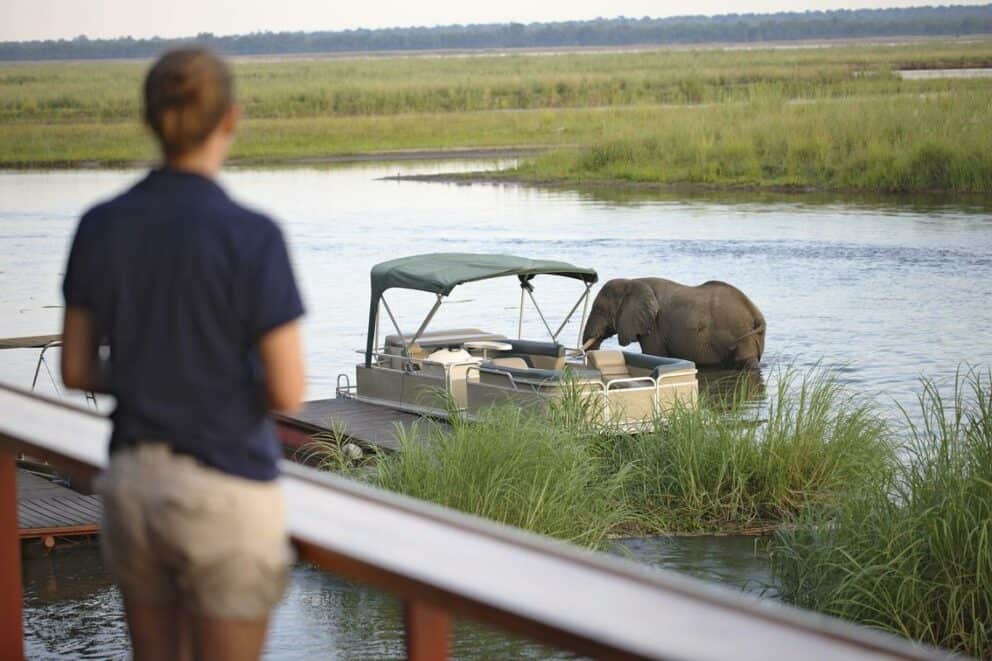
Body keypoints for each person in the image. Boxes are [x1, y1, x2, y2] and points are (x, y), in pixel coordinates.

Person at [60, 48, 305, 661]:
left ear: (149, 119)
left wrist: (152, 376)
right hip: (225, 486)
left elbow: (76, 369)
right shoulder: (253, 236)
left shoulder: (100, 225)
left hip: (134, 484)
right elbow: (287, 389)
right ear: (230, 119)